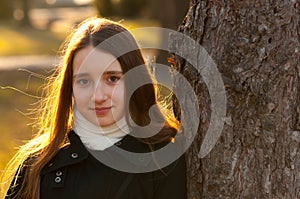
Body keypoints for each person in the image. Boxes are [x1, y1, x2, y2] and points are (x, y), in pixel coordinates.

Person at [1, 17, 187, 199]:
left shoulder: (161, 161)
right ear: (70, 88)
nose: (98, 96)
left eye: (112, 79)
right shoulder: (39, 163)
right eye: (84, 81)